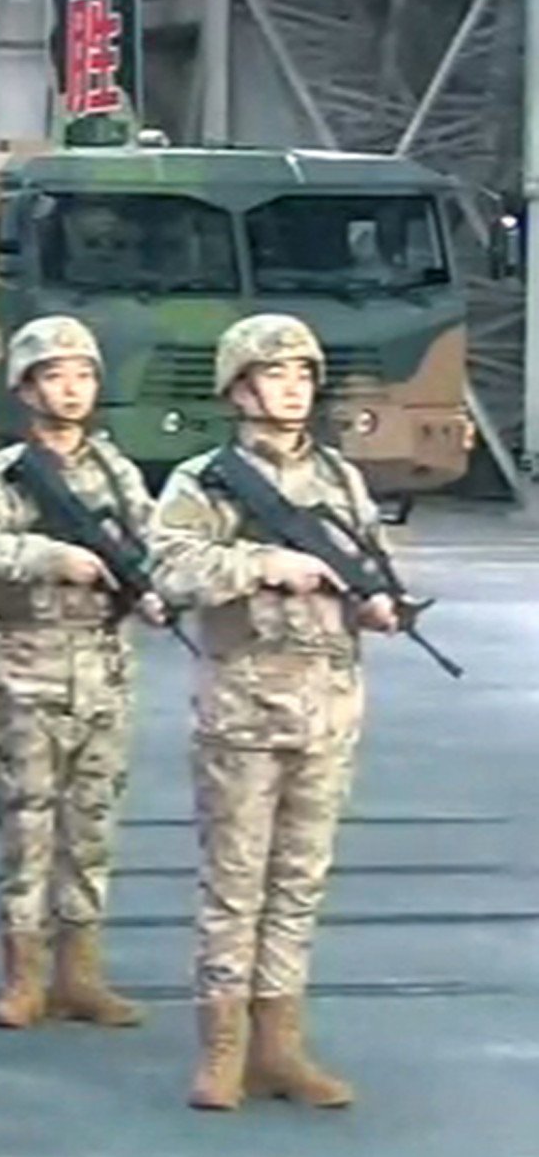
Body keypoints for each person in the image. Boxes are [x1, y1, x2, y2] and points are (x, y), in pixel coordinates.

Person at [144, 312, 402, 1111]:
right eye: (272, 375)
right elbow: (170, 564)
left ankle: (280, 1043)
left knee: (297, 881)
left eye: (300, 376)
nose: (289, 390)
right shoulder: (205, 478)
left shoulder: (337, 476)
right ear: (237, 388)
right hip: (243, 705)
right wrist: (263, 561)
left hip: (325, 705)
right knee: (234, 882)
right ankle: (221, 1049)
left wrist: (378, 601)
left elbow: (364, 560)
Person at [0, 315, 155, 1031]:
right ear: (26, 389)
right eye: (54, 376)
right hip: (25, 666)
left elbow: (150, 541)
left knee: (89, 827)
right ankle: (24, 974)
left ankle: (80, 972)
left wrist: (151, 588)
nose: (70, 390)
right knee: (25, 825)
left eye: (82, 375)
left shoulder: (114, 471)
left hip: (102, 666)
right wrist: (46, 557)